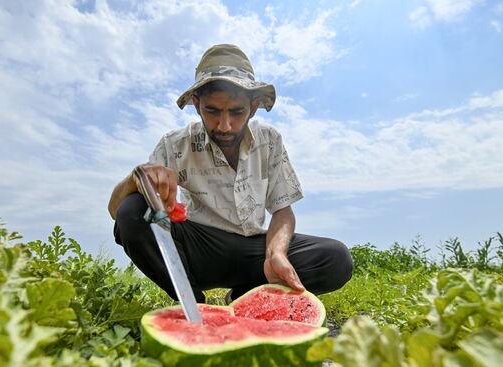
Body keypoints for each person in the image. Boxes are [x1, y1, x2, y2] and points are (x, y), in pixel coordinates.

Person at [108, 44, 353, 304]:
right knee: (132, 210)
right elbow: (117, 213)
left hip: (255, 253)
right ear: (196, 104)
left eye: (237, 112)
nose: (224, 126)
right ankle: (193, 303)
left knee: (335, 257)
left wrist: (276, 253)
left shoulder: (269, 140)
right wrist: (136, 179)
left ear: (254, 107)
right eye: (212, 111)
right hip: (198, 249)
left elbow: (282, 210)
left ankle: (246, 295)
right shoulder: (175, 144)